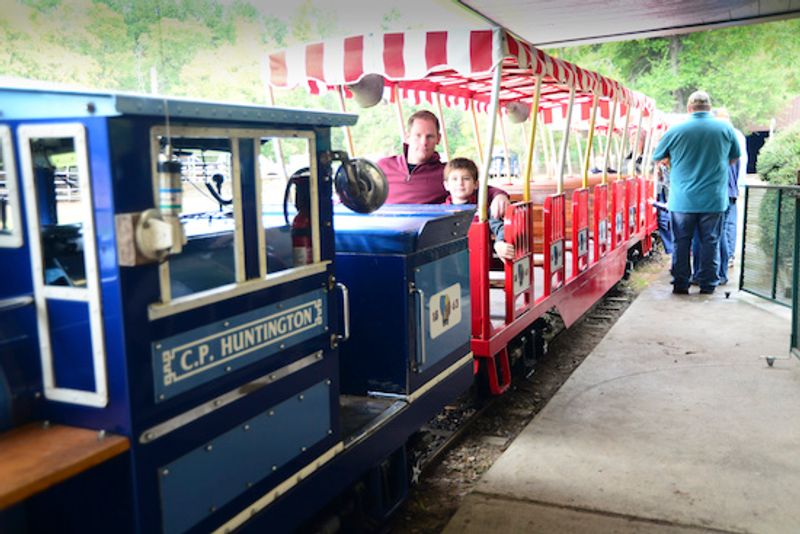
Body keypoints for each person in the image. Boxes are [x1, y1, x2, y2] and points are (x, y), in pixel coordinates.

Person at [652, 91, 740, 295]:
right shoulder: (725, 128)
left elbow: (658, 156)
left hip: (682, 200)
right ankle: (708, 284)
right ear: (709, 107)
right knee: (711, 242)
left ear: (689, 108)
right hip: (713, 199)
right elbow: (734, 157)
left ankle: (681, 283)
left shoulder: (676, 130)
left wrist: (674, 161)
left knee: (681, 243)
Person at [377, 110, 509, 218]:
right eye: (418, 135)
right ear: (407, 137)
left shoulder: (446, 173)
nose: (424, 142)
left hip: (423, 237)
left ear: (438, 139)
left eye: (430, 136)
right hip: (383, 231)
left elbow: (480, 188)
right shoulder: (383, 166)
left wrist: (499, 195)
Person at [443, 157, 514, 261]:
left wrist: (499, 242)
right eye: (454, 179)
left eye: (466, 178)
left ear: (476, 184)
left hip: (479, 261)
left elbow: (500, 227)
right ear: (446, 185)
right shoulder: (440, 212)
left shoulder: (483, 210)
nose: (460, 183)